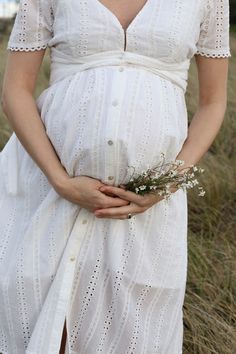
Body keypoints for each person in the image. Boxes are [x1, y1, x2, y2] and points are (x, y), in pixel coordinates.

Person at [0, 0, 230, 353]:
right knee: (38, 316)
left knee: (133, 331)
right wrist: (60, 180)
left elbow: (213, 103)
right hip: (45, 189)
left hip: (146, 210)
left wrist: (166, 184)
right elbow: (15, 90)